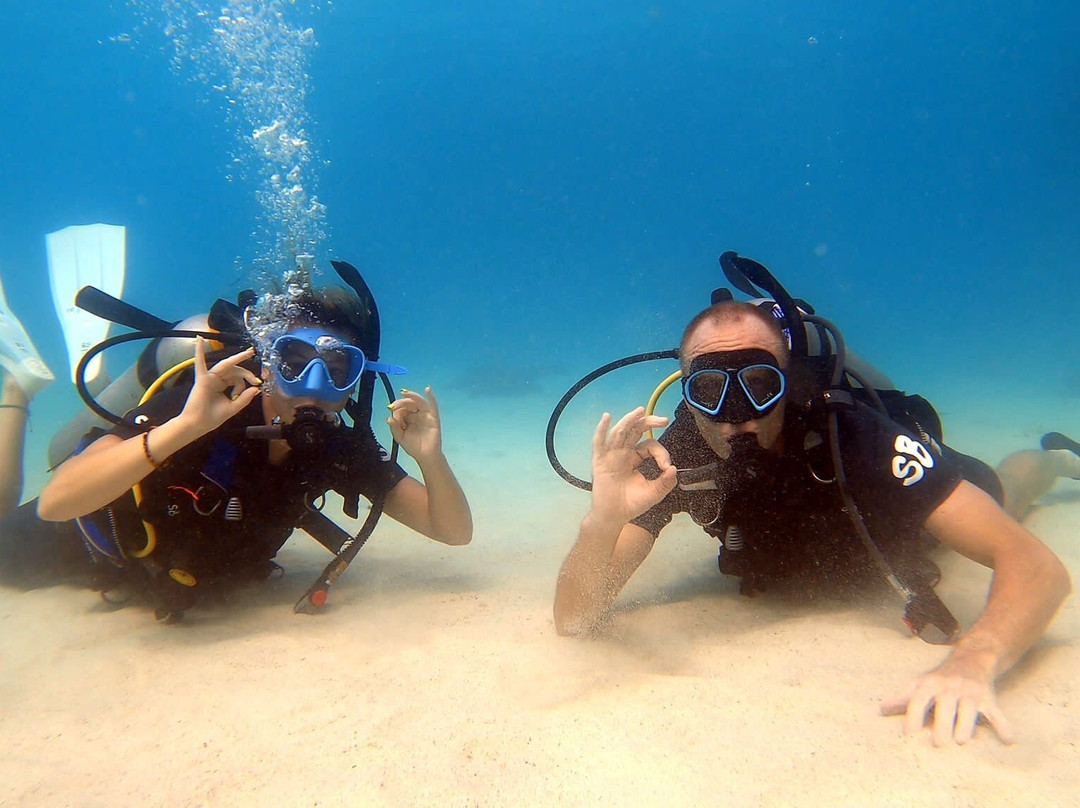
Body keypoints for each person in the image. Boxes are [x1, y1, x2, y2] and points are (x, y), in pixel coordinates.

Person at [554, 276, 1074, 747]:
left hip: (903, 527)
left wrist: (972, 664)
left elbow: (1037, 568)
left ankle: (1053, 460)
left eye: (760, 385)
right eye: (711, 390)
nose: (737, 414)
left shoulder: (854, 435)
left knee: (1007, 489)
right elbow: (574, 617)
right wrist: (603, 522)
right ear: (687, 394)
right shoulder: (676, 456)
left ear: (790, 380)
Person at [1, 264, 472, 619]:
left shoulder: (337, 448)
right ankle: (15, 397)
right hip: (81, 551)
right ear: (265, 363)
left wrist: (431, 459)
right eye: (294, 362)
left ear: (356, 381)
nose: (311, 385)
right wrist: (183, 429)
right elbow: (57, 504)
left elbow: (453, 531)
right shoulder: (202, 410)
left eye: (335, 370)